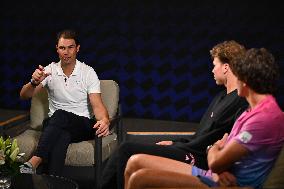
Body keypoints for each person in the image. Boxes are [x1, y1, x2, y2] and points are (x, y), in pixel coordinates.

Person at [124, 48, 284, 189]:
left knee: (140, 178)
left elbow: (216, 162)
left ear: (246, 80)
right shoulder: (253, 110)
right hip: (216, 175)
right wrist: (216, 150)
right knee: (135, 162)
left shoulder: (263, 118)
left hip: (228, 183)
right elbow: (223, 152)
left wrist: (213, 148)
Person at [101, 40, 248, 189]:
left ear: (225, 67)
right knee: (124, 149)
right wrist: (174, 141)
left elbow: (217, 142)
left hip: (199, 158)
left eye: (214, 65)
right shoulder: (220, 98)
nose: (212, 70)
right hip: (188, 149)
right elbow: (200, 135)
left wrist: (179, 145)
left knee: (125, 149)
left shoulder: (240, 101)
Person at [19, 29, 110, 176]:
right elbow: (24, 95)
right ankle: (52, 182)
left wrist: (105, 120)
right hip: (55, 125)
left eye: (70, 47)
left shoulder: (88, 72)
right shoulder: (49, 70)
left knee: (60, 115)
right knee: (61, 136)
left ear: (77, 48)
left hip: (82, 124)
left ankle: (35, 159)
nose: (66, 52)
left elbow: (97, 105)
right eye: (62, 48)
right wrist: (33, 82)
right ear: (57, 49)